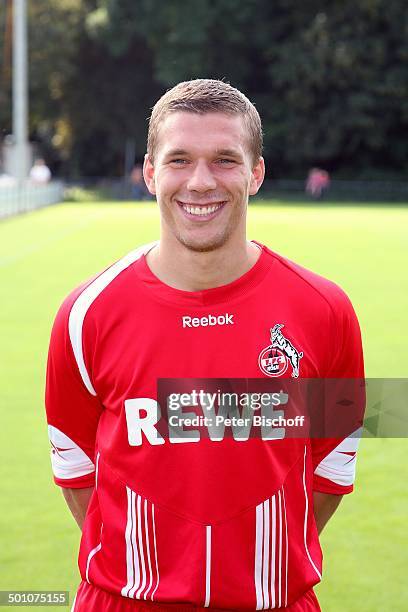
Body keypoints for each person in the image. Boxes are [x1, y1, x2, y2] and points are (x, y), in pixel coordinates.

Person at [45, 79, 364, 611]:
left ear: (256, 172)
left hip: (276, 601)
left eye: (224, 160)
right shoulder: (85, 313)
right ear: (150, 172)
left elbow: (334, 464)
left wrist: (257, 566)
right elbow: (77, 469)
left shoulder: (326, 310)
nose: (199, 181)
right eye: (178, 160)